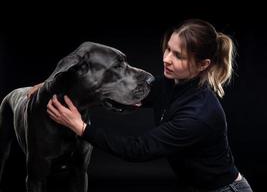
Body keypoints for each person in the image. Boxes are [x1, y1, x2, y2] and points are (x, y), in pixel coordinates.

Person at [28, 19, 253, 191]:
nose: (166, 58)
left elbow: (139, 149)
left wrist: (81, 128)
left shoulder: (199, 114)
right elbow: (123, 91)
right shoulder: (173, 84)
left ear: (203, 65)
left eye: (178, 55)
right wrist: (54, 83)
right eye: (168, 48)